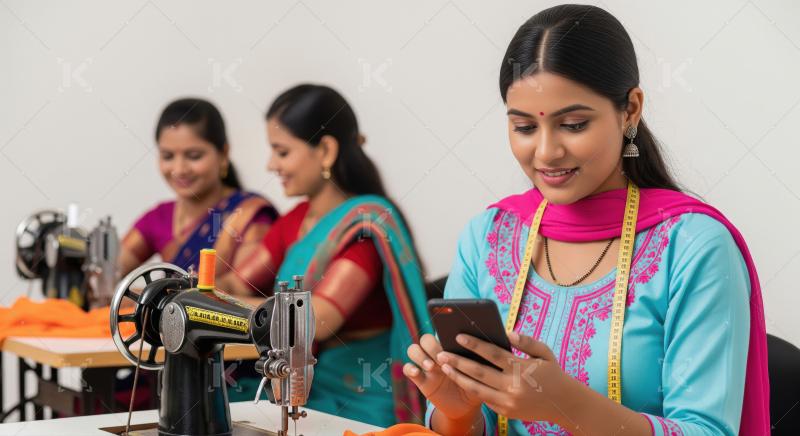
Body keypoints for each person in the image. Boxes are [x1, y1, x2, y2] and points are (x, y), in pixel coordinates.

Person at [404, 5, 769, 435]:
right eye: (524, 127)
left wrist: (566, 404)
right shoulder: (489, 237)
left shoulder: (693, 247)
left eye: (573, 124)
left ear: (630, 110)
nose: (545, 153)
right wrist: (458, 413)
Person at [218, 85, 431, 427]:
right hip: (307, 385)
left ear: (326, 151)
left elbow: (316, 320)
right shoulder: (294, 221)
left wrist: (225, 302)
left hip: (363, 396)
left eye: (282, 152)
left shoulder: (364, 227)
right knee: (215, 407)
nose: (271, 164)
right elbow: (234, 280)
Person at [119, 98, 277, 277]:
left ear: (223, 154)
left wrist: (151, 297)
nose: (179, 170)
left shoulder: (249, 217)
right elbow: (108, 272)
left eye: (193, 156)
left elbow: (240, 296)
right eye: (168, 156)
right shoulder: (159, 218)